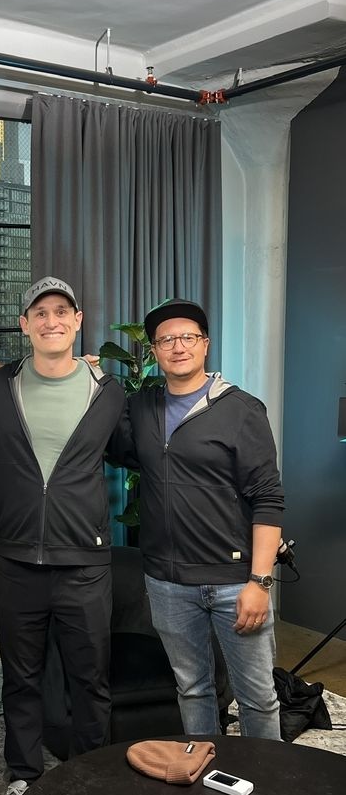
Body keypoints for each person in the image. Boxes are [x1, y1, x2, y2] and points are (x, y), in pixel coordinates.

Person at [0, 277, 126, 795]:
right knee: (21, 677)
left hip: (84, 563)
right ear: (24, 325)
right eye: (39, 313)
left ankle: (90, 779)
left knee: (89, 679)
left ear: (78, 320)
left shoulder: (107, 391)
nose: (51, 321)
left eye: (61, 311)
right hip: (17, 560)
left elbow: (139, 453)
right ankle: (22, 778)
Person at [119, 298, 282, 739]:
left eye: (188, 337)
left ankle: (267, 789)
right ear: (153, 350)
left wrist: (260, 582)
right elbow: (111, 447)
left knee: (258, 697)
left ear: (205, 345)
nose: (178, 346)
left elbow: (268, 498)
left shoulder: (242, 410)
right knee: (192, 689)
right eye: (166, 339)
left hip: (235, 582)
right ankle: (205, 775)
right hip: (169, 583)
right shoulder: (142, 408)